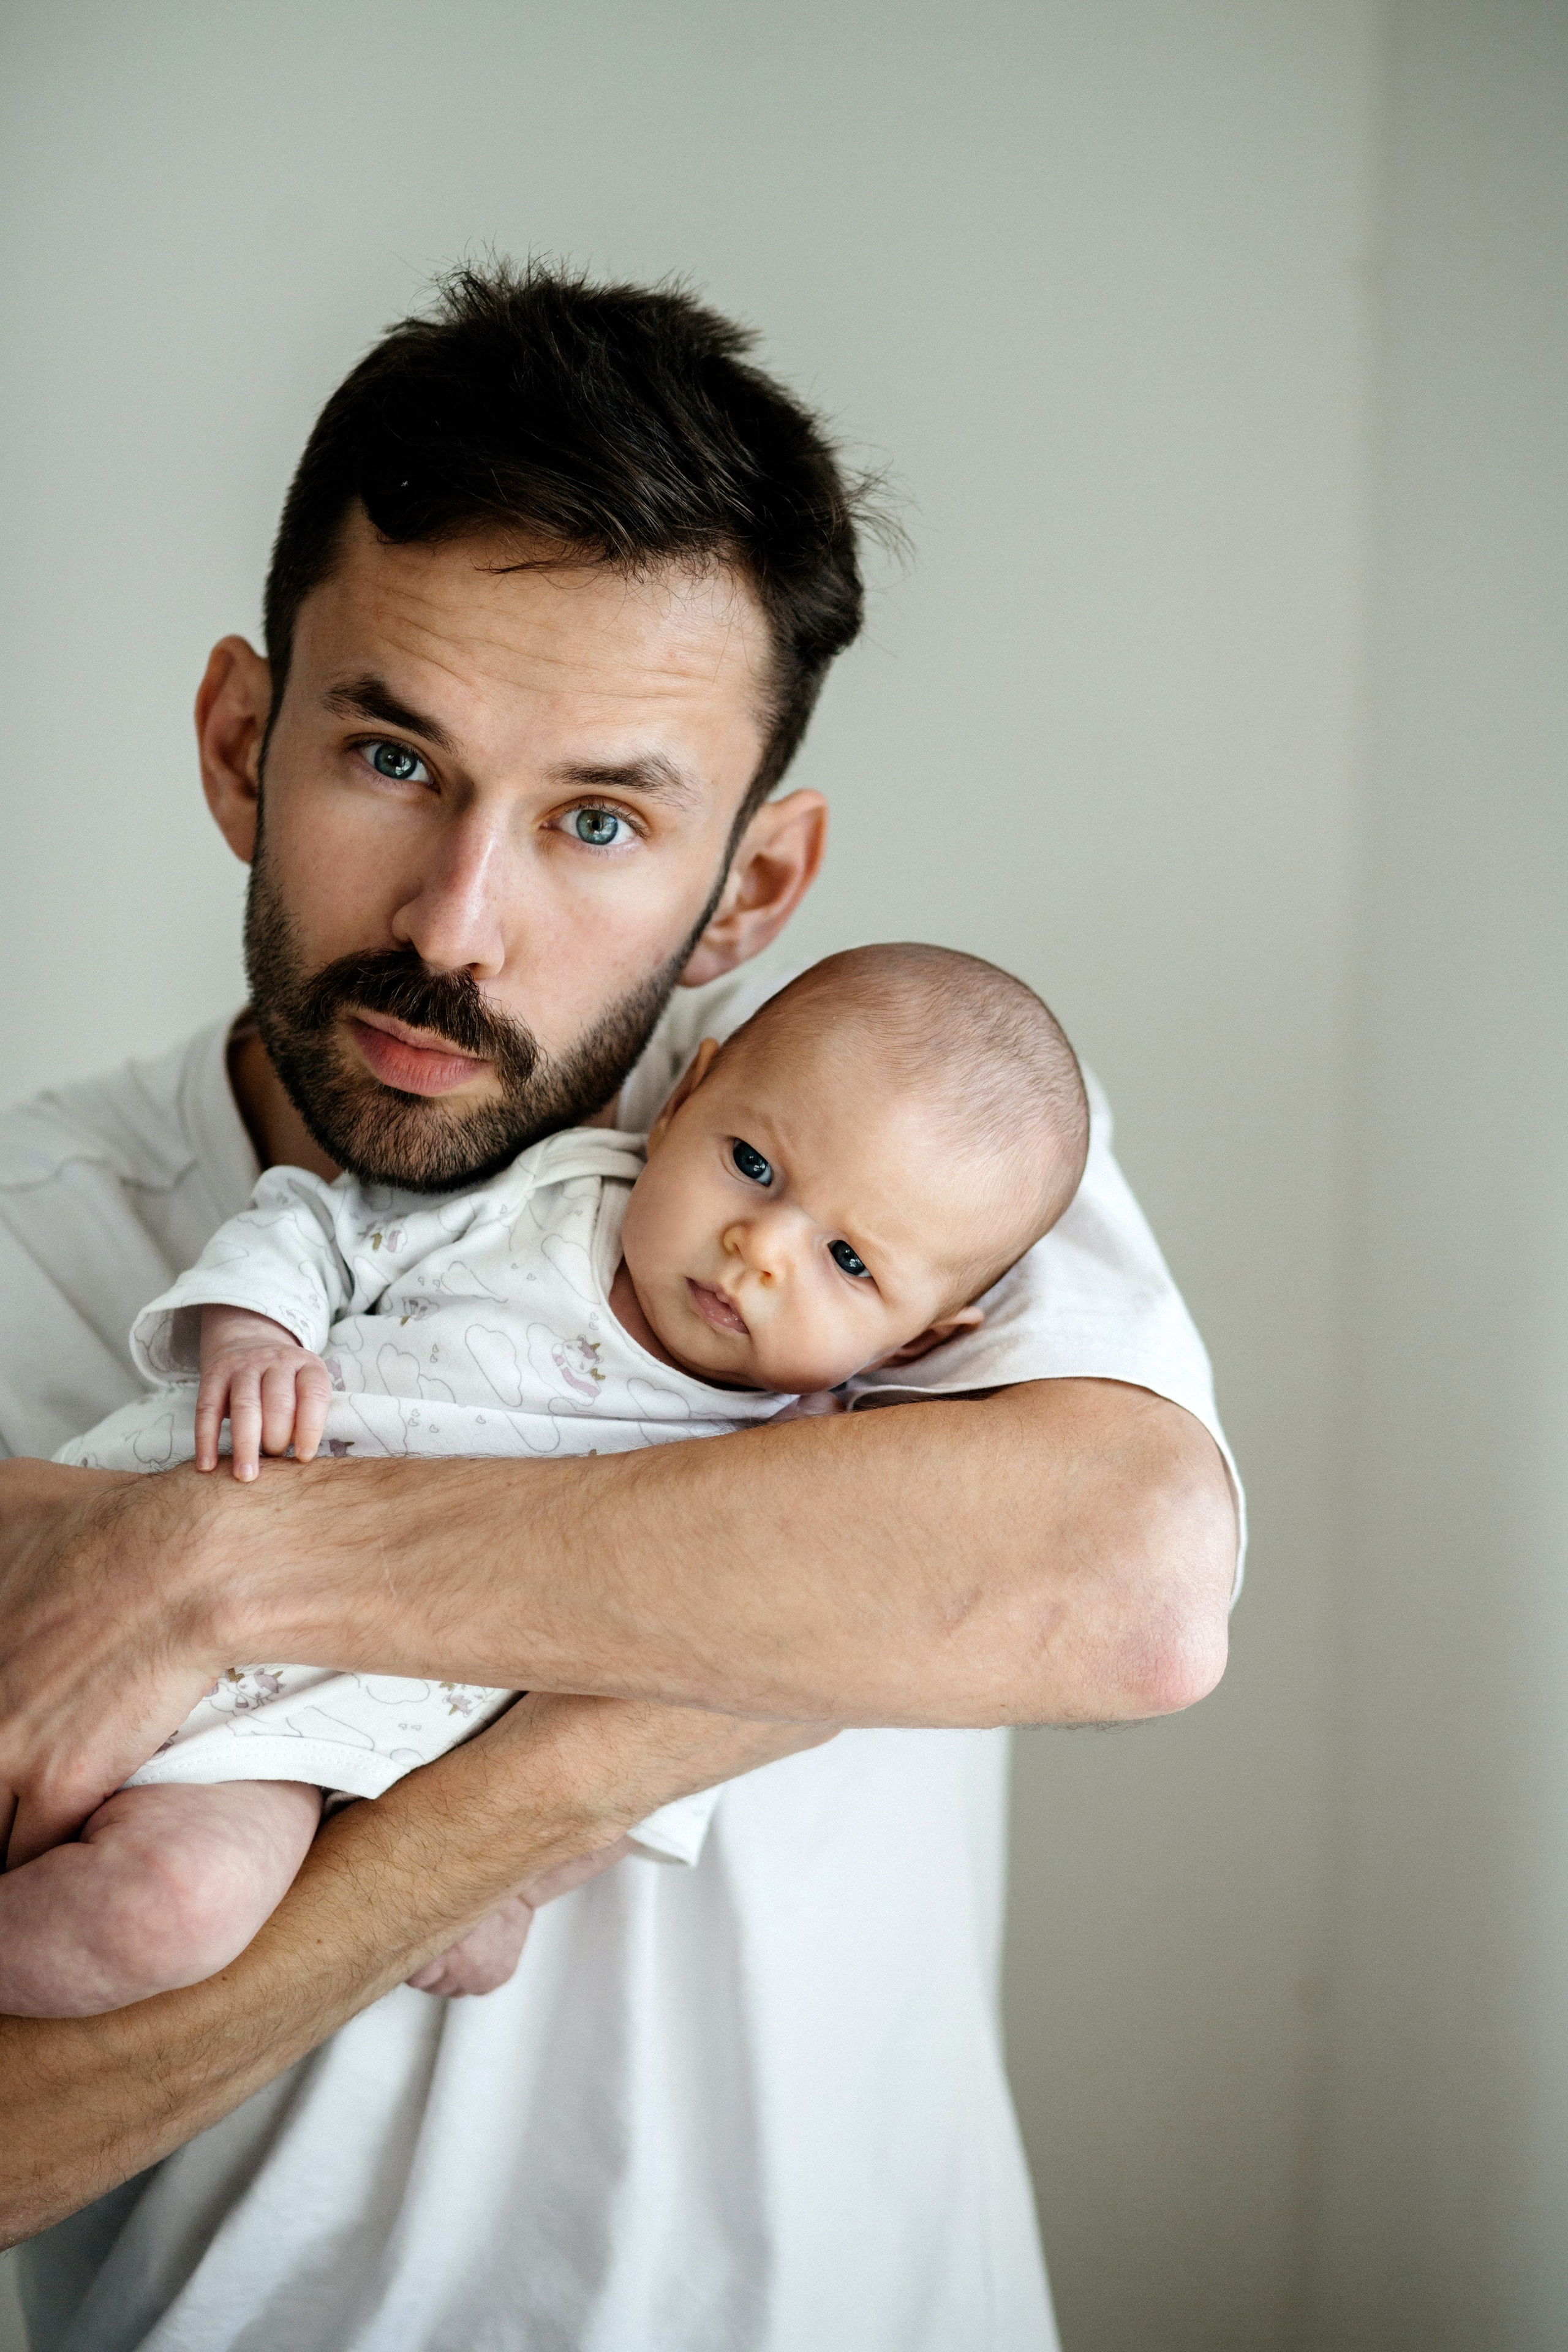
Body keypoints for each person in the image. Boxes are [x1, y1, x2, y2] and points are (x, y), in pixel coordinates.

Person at [0, 262, 1239, 2350]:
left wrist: (213, 1566)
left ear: (747, 892)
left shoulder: (890, 1135)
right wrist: (644, 1716)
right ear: (241, 741)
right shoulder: (37, 1239)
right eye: (393, 758)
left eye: (598, 819)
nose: (453, 929)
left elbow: (1127, 1587)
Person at [7, 945, 1090, 2021]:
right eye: (754, 1166)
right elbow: (319, 1226)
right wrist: (253, 1335)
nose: (760, 1248)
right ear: (683, 1105)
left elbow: (672, 1719)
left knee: (167, 1912)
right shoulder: (541, 1192)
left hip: (285, 1747)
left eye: (848, 1262)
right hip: (129, 1522)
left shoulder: (797, 1480)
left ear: (912, 1345)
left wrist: (521, 1883)